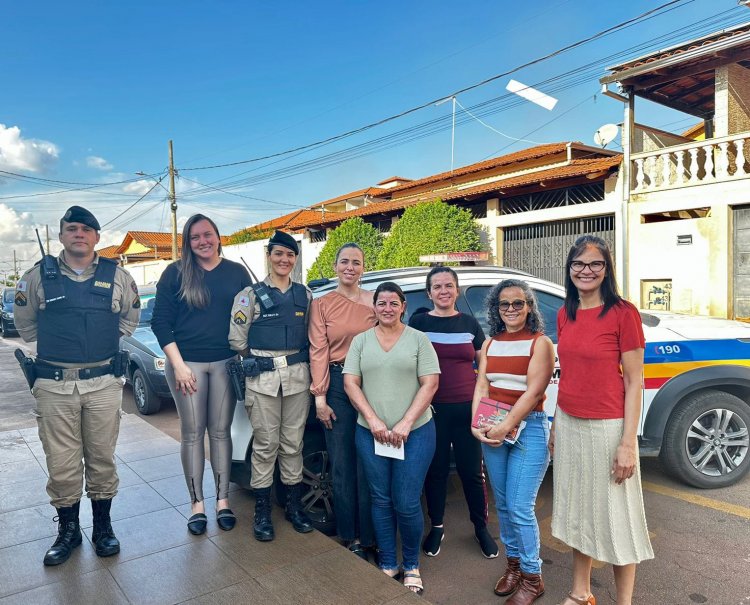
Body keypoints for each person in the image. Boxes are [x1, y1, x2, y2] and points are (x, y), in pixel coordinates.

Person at [14, 206, 140, 565]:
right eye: (72, 228)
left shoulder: (118, 276)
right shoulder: (38, 276)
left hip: (102, 383)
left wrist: (97, 343)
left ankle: (103, 527)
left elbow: (130, 317)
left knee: (101, 457)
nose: (79, 234)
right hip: (55, 385)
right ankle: (68, 531)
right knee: (62, 462)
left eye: (86, 229)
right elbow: (27, 325)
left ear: (97, 237)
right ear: (62, 235)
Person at [551, 235, 653, 605]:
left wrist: (628, 443)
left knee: (618, 519)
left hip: (609, 429)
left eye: (595, 264)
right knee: (580, 513)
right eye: (579, 263)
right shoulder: (566, 313)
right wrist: (554, 425)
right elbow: (569, 374)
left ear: (607, 270)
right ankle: (580, 593)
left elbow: (634, 380)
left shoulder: (624, 313)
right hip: (570, 424)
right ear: (570, 269)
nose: (586, 270)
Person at [151, 214, 250, 535]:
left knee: (220, 433)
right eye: (195, 237)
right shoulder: (175, 273)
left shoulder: (236, 273)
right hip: (186, 366)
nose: (203, 241)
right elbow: (160, 323)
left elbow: (249, 318)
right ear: (187, 243)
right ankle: (196, 506)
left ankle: (223, 501)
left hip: (225, 363)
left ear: (219, 237)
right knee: (193, 433)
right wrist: (178, 366)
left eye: (208, 235)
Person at [344, 282, 440, 595]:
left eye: (393, 303)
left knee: (407, 500)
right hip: (371, 433)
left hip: (415, 433)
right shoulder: (360, 342)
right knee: (381, 498)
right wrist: (372, 420)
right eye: (381, 303)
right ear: (374, 307)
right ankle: (389, 561)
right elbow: (351, 383)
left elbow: (430, 384)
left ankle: (411, 564)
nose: (387, 308)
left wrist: (405, 423)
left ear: (403, 307)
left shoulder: (418, 340)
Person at [471, 279, 555, 605]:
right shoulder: (490, 343)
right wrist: (476, 424)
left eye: (517, 304)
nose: (510, 310)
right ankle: (514, 566)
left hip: (527, 429)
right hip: (493, 429)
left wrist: (505, 426)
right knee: (504, 505)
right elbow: (481, 386)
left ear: (529, 306)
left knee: (521, 507)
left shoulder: (540, 343)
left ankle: (533, 578)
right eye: (504, 304)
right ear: (496, 309)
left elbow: (534, 392)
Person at [228, 230, 314, 542]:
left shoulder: (305, 295)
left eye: (290, 255)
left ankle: (293, 507)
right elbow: (237, 341)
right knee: (265, 447)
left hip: (297, 379)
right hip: (262, 380)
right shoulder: (248, 296)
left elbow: (312, 335)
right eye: (278, 253)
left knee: (293, 445)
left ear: (295, 259)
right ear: (269, 255)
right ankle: (262, 512)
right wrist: (263, 361)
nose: (284, 260)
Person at [408, 267, 498, 559]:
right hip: (431, 411)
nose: (443, 290)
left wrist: (486, 405)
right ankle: (436, 527)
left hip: (466, 409)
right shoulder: (418, 323)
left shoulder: (470, 323)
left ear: (457, 290)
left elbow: (482, 366)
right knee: (435, 473)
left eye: (449, 285)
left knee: (472, 473)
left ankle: (480, 528)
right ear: (429, 293)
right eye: (437, 286)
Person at [308, 243, 376, 559]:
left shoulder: (375, 301)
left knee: (370, 462)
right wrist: (320, 398)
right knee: (343, 462)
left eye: (357, 262)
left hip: (372, 384)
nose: (350, 267)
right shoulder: (321, 305)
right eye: (345, 261)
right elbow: (318, 351)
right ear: (335, 266)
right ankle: (352, 537)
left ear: (364, 268)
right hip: (336, 383)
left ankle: (373, 533)